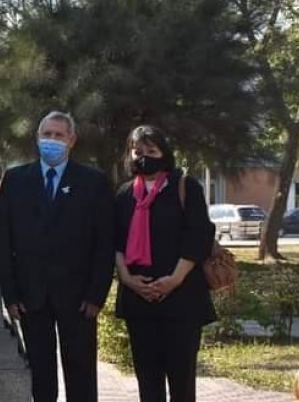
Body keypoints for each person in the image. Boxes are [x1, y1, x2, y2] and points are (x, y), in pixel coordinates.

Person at [0, 111, 115, 402]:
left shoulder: (92, 182)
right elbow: (3, 240)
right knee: (40, 375)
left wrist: (96, 295)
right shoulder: (15, 180)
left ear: (71, 140)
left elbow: (104, 243)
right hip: (30, 298)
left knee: (81, 374)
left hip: (79, 299)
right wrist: (10, 296)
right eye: (47, 135)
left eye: (59, 135)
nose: (52, 140)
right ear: (37, 138)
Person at [113, 125, 216, 402]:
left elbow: (198, 237)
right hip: (139, 300)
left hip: (181, 300)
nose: (143, 157)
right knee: (148, 382)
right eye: (138, 152)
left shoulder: (185, 187)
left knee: (182, 383)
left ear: (164, 153)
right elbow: (115, 242)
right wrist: (127, 278)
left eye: (151, 151)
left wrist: (174, 279)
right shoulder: (124, 195)